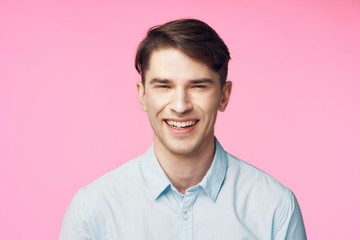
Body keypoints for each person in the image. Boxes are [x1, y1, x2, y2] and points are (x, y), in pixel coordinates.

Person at [60, 19, 307, 240]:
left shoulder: (275, 207)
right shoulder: (93, 209)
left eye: (198, 86)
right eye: (164, 86)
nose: (180, 106)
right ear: (143, 95)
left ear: (224, 96)